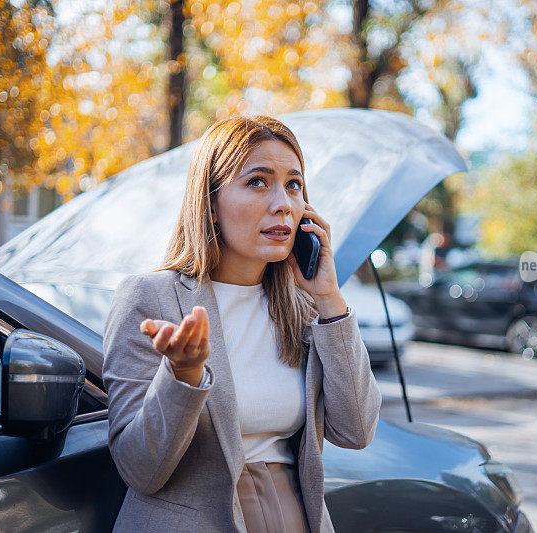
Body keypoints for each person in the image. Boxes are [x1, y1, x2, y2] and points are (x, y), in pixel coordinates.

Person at [102, 115, 382, 532]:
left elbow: (356, 430)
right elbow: (141, 470)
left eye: (293, 184)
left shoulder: (305, 308)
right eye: (257, 182)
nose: (283, 203)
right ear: (211, 204)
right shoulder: (150, 298)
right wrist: (182, 375)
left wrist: (329, 298)